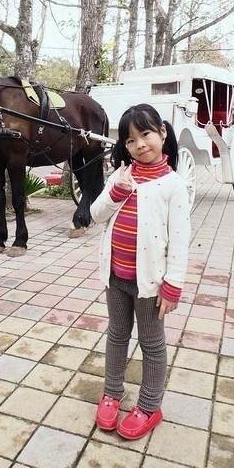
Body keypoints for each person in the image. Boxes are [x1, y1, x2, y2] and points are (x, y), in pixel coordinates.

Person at [90, 103, 191, 440]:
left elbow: (179, 240)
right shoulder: (121, 176)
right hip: (115, 278)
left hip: (150, 286)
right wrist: (117, 191)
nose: (139, 145)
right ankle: (111, 393)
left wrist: (172, 286)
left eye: (145, 134)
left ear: (162, 132)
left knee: (152, 344)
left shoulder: (173, 185)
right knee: (117, 335)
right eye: (130, 140)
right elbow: (96, 214)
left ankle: (150, 405)